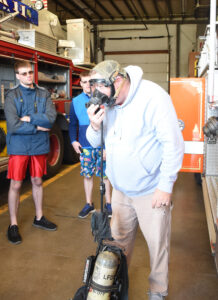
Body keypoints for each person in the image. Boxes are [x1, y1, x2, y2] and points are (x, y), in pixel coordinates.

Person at [86, 60, 184, 300]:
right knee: (118, 245)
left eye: (102, 90)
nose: (99, 98)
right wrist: (94, 125)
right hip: (120, 190)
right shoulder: (108, 102)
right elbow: (95, 142)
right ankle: (118, 286)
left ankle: (157, 292)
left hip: (151, 190)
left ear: (117, 81)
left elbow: (173, 144)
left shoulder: (153, 97)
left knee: (157, 246)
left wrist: (165, 186)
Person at [4, 61, 57, 245]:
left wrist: (29, 119)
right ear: (17, 76)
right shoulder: (11, 96)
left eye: (30, 72)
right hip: (19, 147)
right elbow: (13, 125)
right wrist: (37, 126)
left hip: (38, 147)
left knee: (37, 181)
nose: (28, 76)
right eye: (24, 73)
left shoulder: (43, 94)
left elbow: (50, 119)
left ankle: (39, 217)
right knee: (16, 185)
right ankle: (13, 225)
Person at [69, 70, 112, 218]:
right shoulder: (75, 101)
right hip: (85, 145)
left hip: (102, 145)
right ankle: (89, 204)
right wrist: (73, 141)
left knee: (105, 175)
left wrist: (107, 147)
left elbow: (110, 125)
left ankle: (109, 204)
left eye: (90, 82)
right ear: (80, 83)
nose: (88, 85)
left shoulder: (104, 99)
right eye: (84, 82)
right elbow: (72, 124)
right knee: (87, 175)